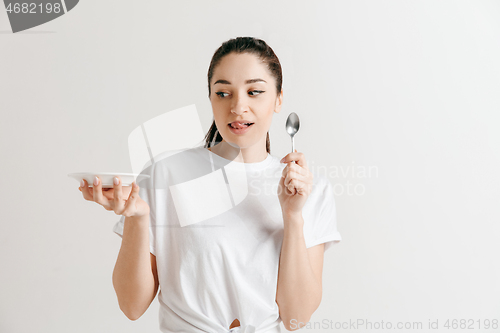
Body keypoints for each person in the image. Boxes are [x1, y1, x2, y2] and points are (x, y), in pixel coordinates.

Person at [78, 37, 342, 333]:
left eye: (254, 92)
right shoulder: (165, 173)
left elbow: (297, 316)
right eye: (223, 93)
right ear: (211, 99)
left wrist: (293, 216)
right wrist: (137, 218)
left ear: (279, 99)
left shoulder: (309, 189)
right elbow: (131, 305)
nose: (238, 106)